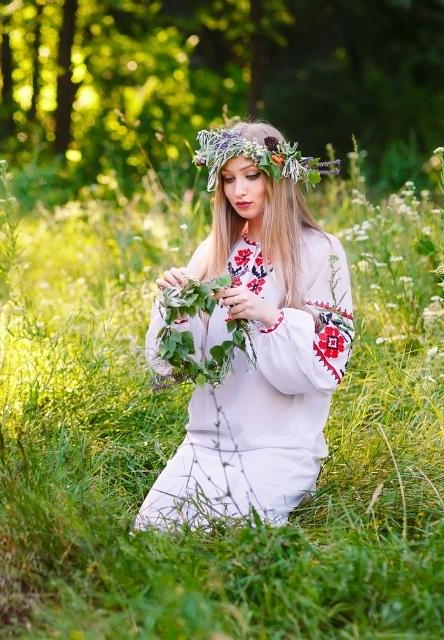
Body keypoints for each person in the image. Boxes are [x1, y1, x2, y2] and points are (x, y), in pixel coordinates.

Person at [135, 121, 354, 530]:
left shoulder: (320, 250)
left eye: (252, 176)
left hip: (279, 447)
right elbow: (178, 368)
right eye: (228, 179)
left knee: (229, 538)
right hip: (205, 444)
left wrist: (268, 316)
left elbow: (329, 365)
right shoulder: (215, 250)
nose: (239, 191)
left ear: (278, 176)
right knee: (153, 534)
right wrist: (176, 311)